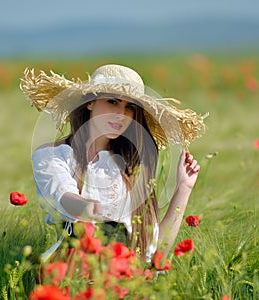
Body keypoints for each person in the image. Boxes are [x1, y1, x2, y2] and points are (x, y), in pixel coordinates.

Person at [20, 64, 206, 263]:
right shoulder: (53, 156)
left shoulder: (133, 167)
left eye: (130, 107)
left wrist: (183, 188)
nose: (121, 114)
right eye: (112, 102)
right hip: (73, 271)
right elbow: (62, 196)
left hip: (125, 279)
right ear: (90, 102)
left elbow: (153, 254)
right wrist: (85, 207)